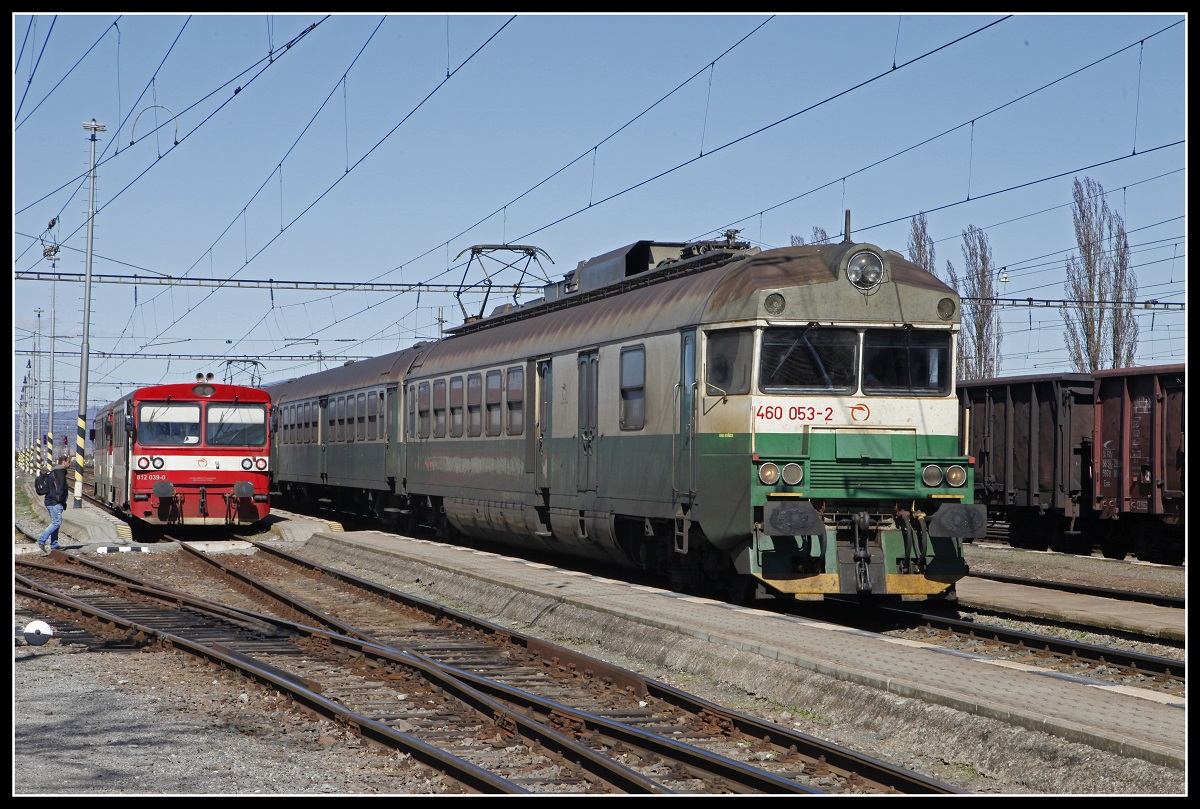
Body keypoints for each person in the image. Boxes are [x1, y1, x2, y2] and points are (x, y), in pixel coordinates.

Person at [37, 455, 70, 554]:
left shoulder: (54, 472)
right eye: (68, 461)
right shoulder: (59, 473)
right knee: (56, 523)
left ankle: (54, 544)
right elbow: (59, 488)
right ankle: (41, 540)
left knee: (56, 523)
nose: (69, 463)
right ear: (63, 462)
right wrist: (60, 500)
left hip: (51, 501)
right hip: (54, 502)